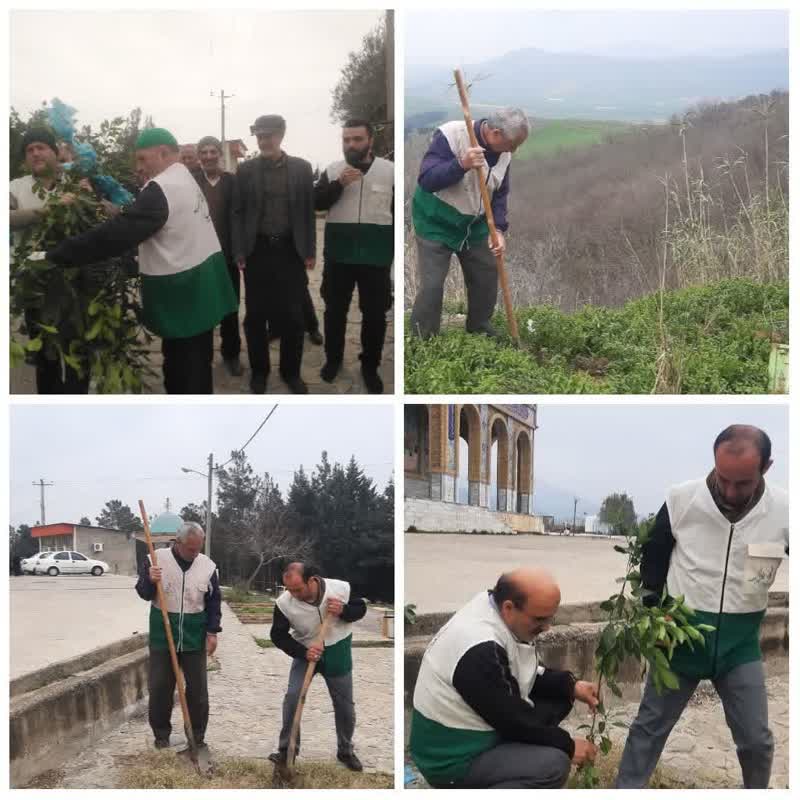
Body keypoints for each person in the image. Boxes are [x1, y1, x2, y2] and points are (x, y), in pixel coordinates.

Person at [615, 425, 788, 789]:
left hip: (740, 647)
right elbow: (654, 557)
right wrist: (650, 610)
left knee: (757, 742)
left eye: (742, 483)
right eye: (723, 478)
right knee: (648, 730)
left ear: (766, 468)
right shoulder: (682, 499)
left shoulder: (785, 510)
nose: (729, 491)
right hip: (679, 641)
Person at [45, 127, 237, 394]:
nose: (138, 167)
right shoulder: (183, 175)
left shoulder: (162, 188)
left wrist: (57, 255)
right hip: (201, 287)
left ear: (162, 153)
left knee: (187, 371)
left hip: (185, 293)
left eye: (142, 159)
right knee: (194, 358)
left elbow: (114, 236)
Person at [409, 568, 599, 789]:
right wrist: (568, 746)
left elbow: (517, 671)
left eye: (550, 618)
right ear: (509, 608)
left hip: (476, 725)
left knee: (560, 695)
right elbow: (512, 718)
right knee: (553, 764)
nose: (546, 628)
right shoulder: (478, 646)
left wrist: (571, 686)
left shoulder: (492, 608)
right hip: (451, 757)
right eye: (539, 619)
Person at [409, 108, 529, 339]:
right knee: (432, 285)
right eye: (513, 144)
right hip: (435, 221)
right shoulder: (451, 136)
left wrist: (499, 229)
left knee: (486, 273)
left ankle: (479, 326)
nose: (514, 150)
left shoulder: (505, 153)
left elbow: (501, 193)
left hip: (475, 223)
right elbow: (427, 179)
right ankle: (422, 338)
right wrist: (461, 164)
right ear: (494, 133)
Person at [232, 114, 316, 394]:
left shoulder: (302, 169)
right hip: (258, 251)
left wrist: (309, 250)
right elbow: (238, 212)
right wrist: (240, 249)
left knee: (293, 317)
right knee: (255, 316)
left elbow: (307, 213)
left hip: (290, 252)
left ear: (281, 135)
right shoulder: (245, 172)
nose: (264, 140)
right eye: (259, 136)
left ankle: (291, 373)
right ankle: (260, 372)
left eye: (268, 135)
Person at [10, 128, 95, 394]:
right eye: (30, 149)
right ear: (25, 159)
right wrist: (50, 209)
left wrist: (88, 199)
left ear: (55, 153)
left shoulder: (75, 182)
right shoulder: (15, 187)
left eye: (41, 147)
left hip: (74, 283)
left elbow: (102, 220)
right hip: (35, 284)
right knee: (46, 356)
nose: (35, 153)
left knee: (78, 354)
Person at [315, 119, 394, 394]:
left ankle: (369, 366)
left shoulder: (389, 172)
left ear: (370, 141)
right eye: (346, 139)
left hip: (376, 258)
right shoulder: (333, 171)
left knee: (374, 315)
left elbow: (397, 214)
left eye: (357, 139)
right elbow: (316, 203)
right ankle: (333, 360)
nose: (351, 144)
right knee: (334, 312)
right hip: (339, 256)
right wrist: (338, 184)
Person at [269, 562, 367, 771]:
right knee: (293, 698)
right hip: (305, 651)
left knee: (344, 705)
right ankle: (287, 751)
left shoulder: (340, 588)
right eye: (289, 590)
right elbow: (277, 636)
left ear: (312, 580)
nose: (293, 594)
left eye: (298, 589)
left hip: (337, 648)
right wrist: (302, 652)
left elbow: (361, 609)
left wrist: (344, 610)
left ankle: (345, 750)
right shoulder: (284, 603)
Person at [135, 522, 221, 750]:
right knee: (161, 687)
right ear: (178, 542)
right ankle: (161, 737)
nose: (195, 553)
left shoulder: (208, 566)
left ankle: (197, 737)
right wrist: (150, 580)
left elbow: (214, 603)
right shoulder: (156, 559)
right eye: (191, 548)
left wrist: (213, 631)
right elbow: (144, 593)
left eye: (198, 548)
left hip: (194, 634)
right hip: (163, 633)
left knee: (198, 691)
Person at [194, 136, 242, 377]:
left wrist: (240, 251)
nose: (209, 156)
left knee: (230, 307)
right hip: (199, 257)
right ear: (199, 156)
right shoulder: (192, 181)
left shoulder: (233, 181)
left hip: (227, 256)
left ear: (219, 155)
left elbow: (240, 217)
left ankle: (231, 353)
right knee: (202, 307)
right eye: (205, 152)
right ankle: (202, 356)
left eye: (213, 151)